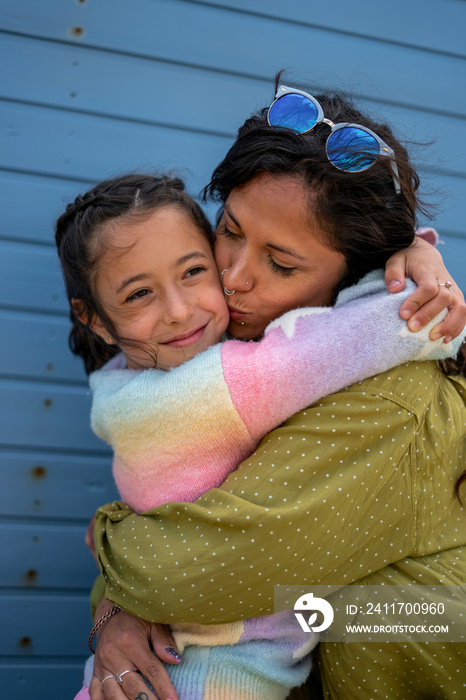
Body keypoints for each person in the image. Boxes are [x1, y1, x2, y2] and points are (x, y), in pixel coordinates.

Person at [81, 85, 466, 700]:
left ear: (355, 270)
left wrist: (107, 547)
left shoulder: (388, 404)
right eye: (229, 230)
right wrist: (112, 615)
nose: (231, 278)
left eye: (281, 265)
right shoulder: (233, 348)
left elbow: (191, 572)